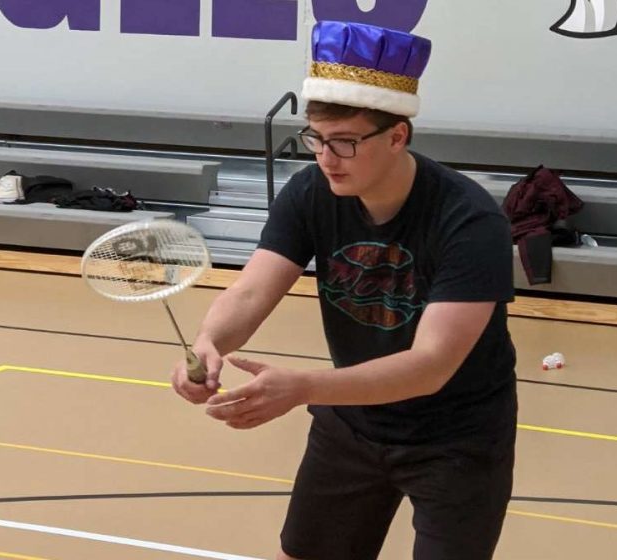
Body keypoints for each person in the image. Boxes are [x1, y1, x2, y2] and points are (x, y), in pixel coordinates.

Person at [172, 20, 517, 560]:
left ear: (398, 136)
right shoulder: (312, 190)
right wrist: (210, 342)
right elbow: (251, 290)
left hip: (457, 439)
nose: (325, 158)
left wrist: (302, 386)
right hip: (351, 423)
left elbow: (431, 365)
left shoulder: (469, 221)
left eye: (345, 143)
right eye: (316, 139)